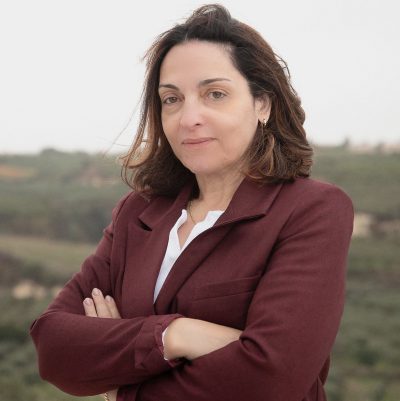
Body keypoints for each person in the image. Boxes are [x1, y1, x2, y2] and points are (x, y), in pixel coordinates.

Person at [29, 4, 354, 401]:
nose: (188, 118)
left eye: (215, 94)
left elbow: (272, 379)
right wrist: (176, 334)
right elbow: (53, 348)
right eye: (172, 99)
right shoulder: (138, 213)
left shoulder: (311, 211)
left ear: (263, 104)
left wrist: (122, 387)